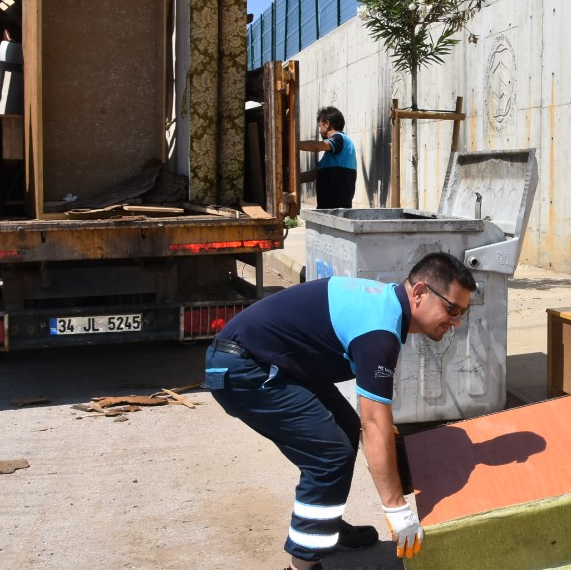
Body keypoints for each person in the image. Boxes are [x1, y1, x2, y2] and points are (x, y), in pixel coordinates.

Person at [203, 251, 476, 569]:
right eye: (452, 309)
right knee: (329, 454)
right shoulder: (379, 333)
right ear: (419, 293)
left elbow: (369, 424)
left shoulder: (384, 306)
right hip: (243, 367)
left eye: (462, 314)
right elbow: (376, 425)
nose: (455, 321)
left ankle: (324, 527)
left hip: (276, 361)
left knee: (344, 428)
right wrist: (396, 507)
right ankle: (301, 564)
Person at [298, 106, 357, 209]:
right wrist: (285, 181)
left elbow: (317, 147)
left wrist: (293, 145)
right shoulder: (331, 156)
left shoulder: (340, 139)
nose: (320, 131)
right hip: (327, 208)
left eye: (320, 126)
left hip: (336, 209)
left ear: (327, 124)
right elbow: (311, 175)